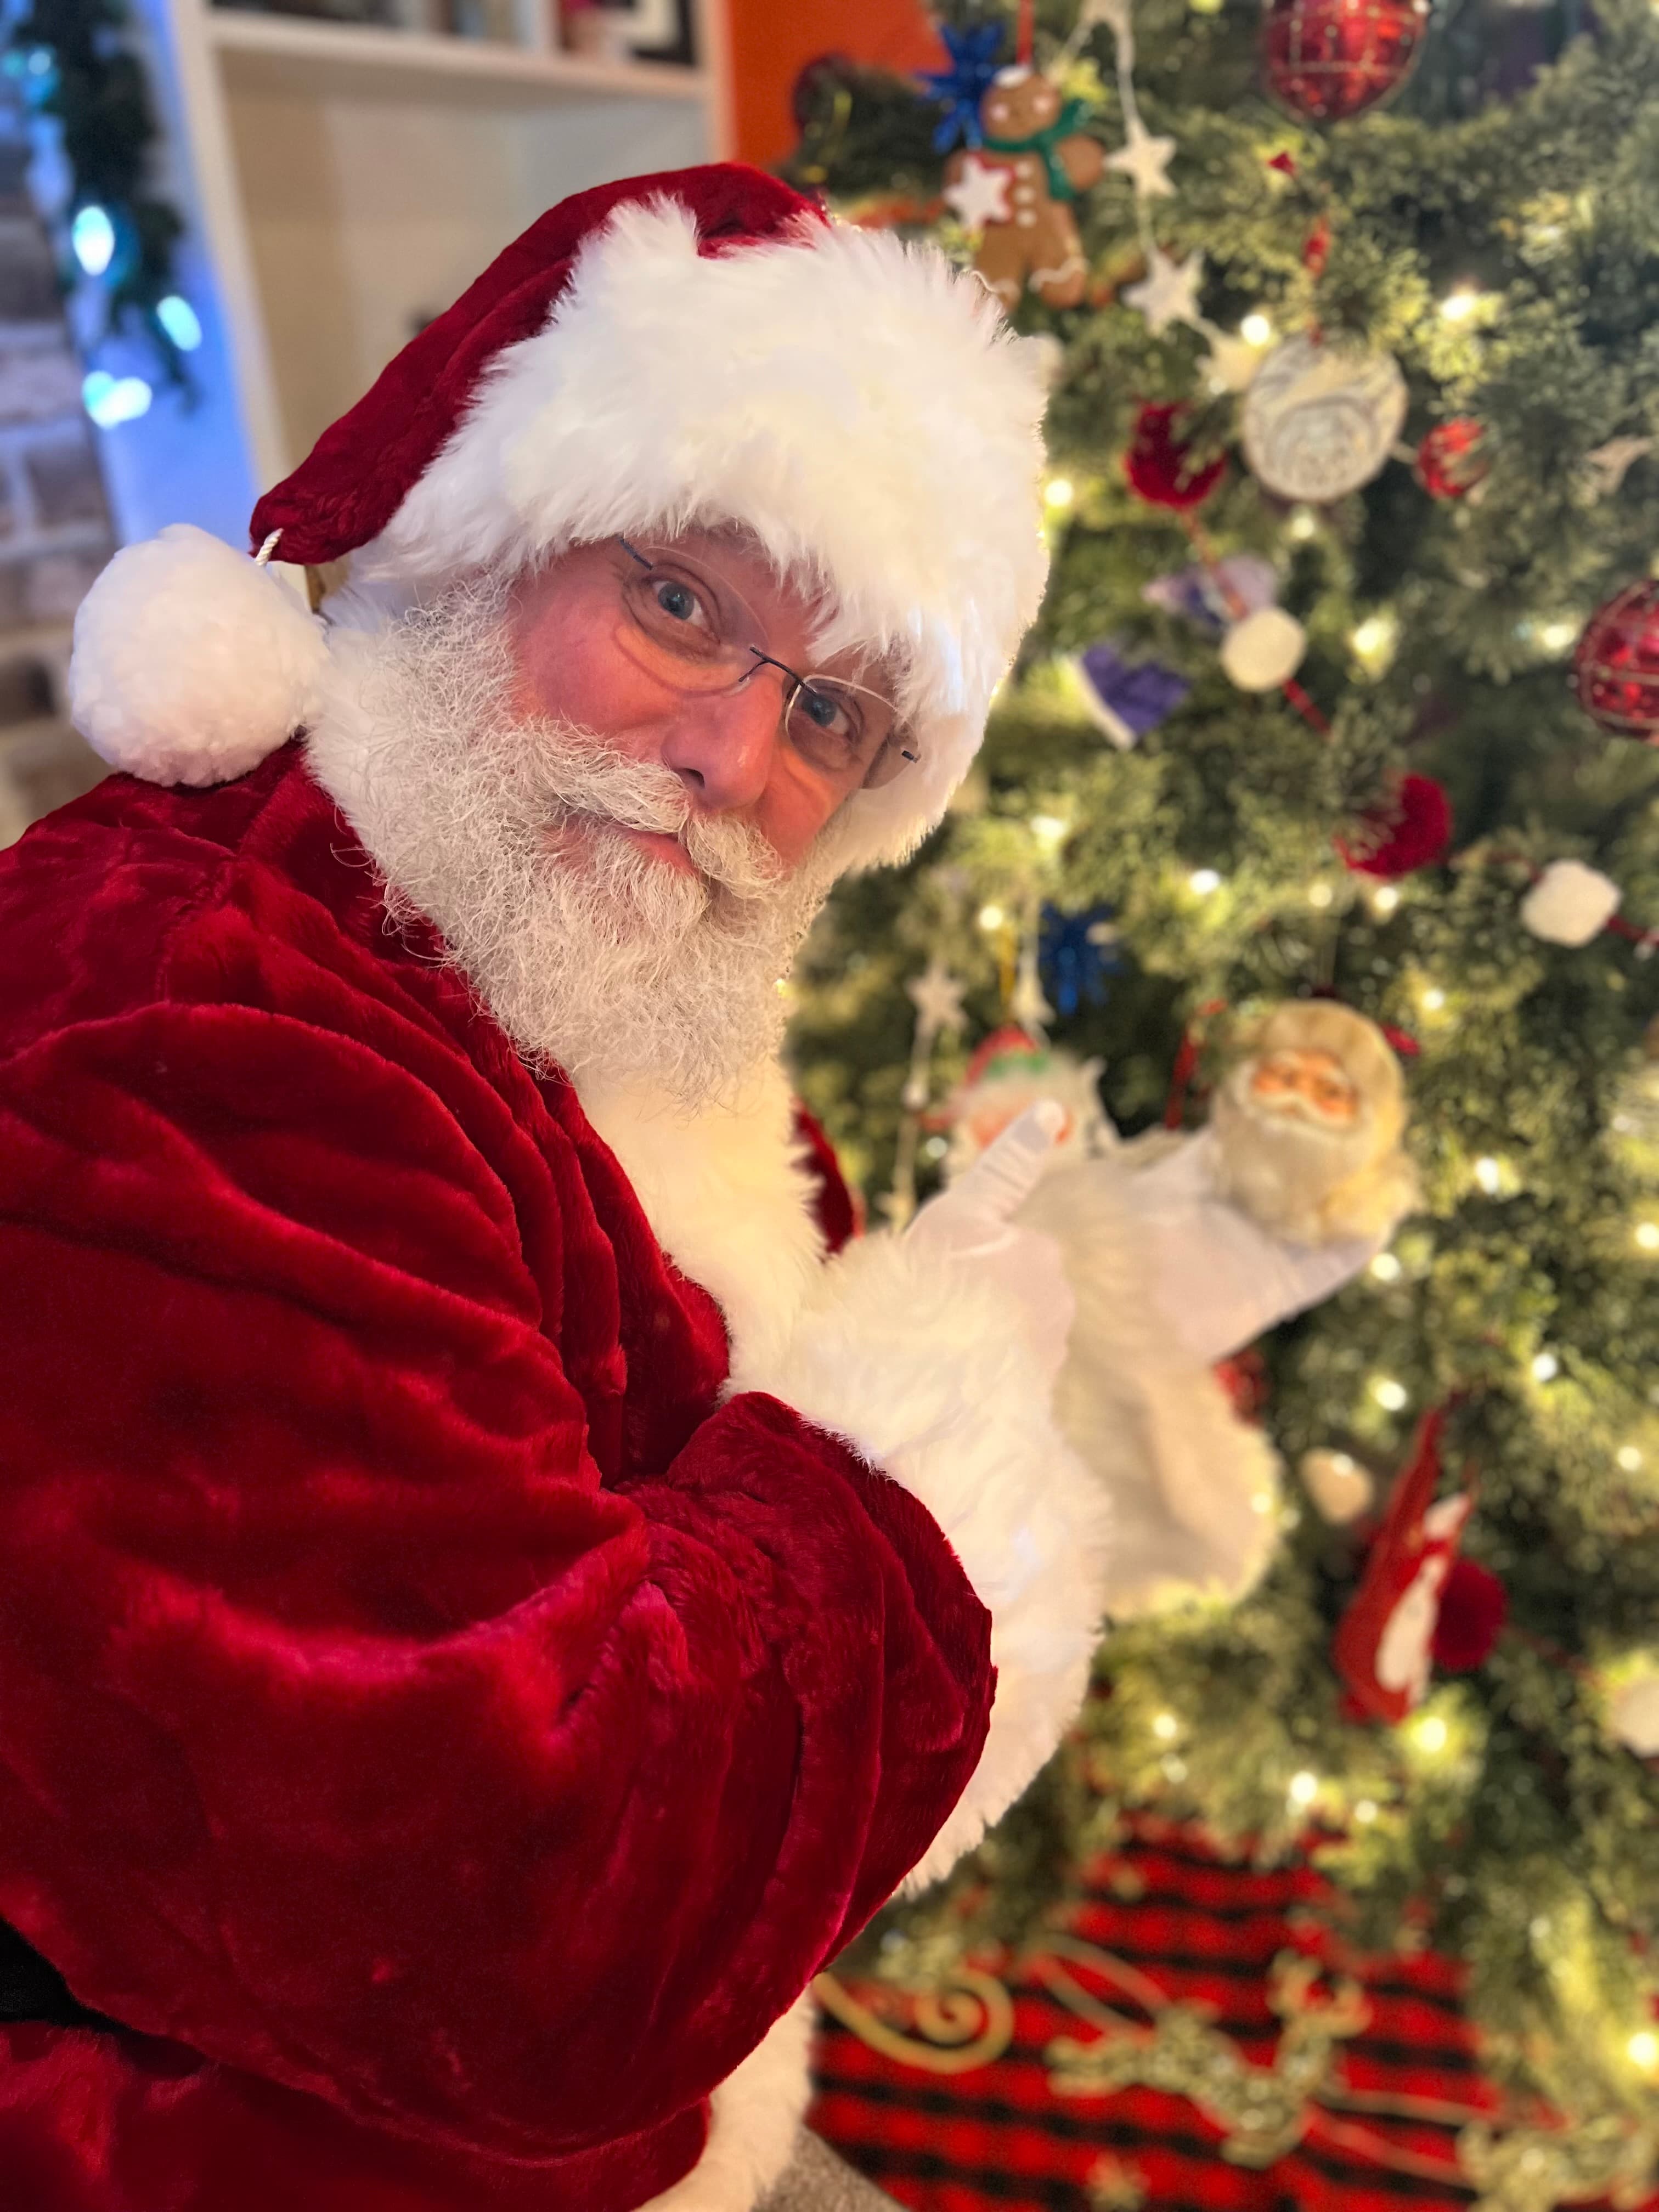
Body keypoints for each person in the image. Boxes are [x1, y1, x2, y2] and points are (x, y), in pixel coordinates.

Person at [0, 163, 1104, 2212]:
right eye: (684, 604)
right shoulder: (184, 1028)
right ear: (477, 537)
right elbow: (515, 1936)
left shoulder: (573, 967)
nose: (733, 759)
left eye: (832, 712)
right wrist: (925, 1482)